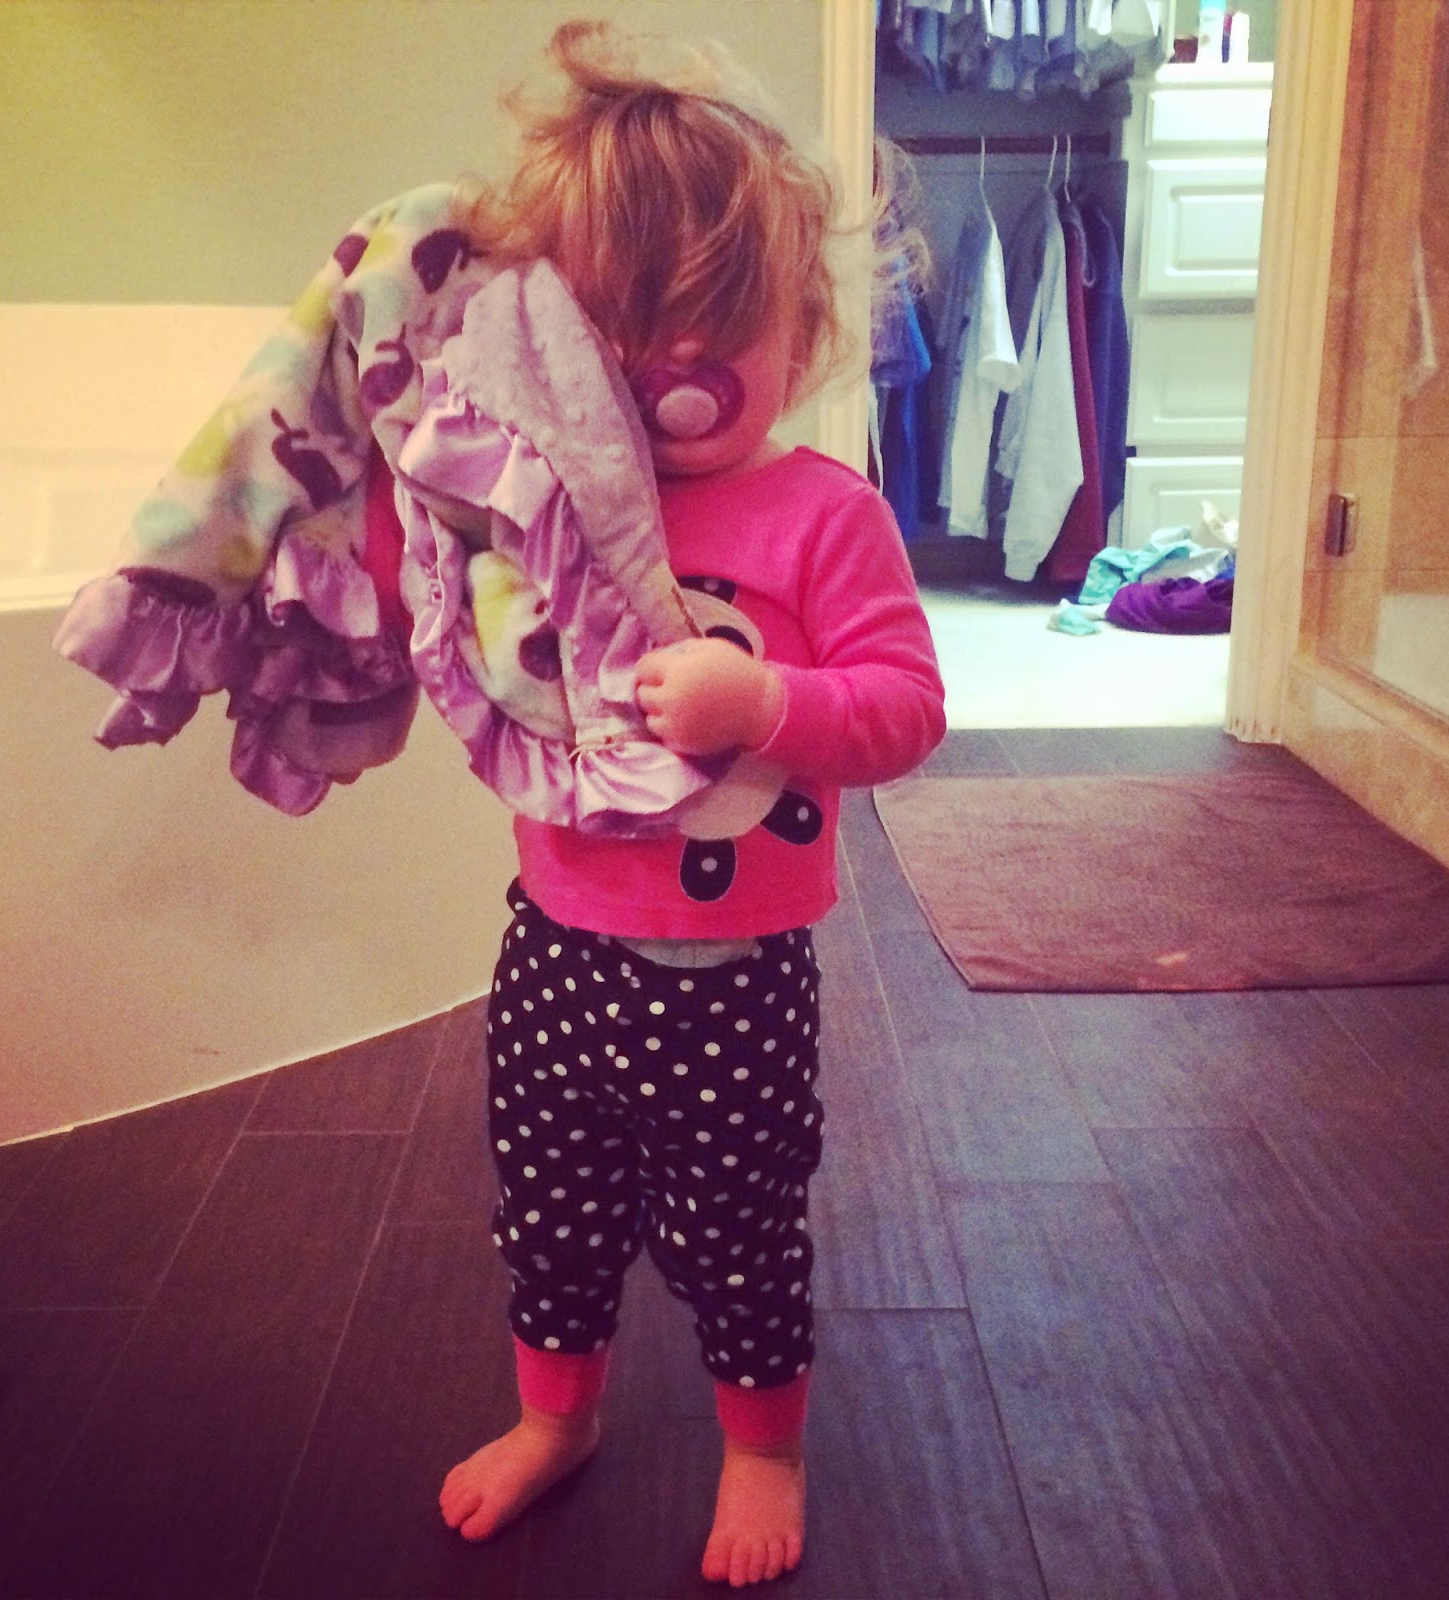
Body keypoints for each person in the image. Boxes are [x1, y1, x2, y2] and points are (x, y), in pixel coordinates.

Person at [435, 20, 946, 1588]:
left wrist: (764, 702)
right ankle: (558, 1417)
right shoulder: (550, 503)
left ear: (802, 326)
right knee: (550, 1213)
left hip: (734, 979)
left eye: (719, 328)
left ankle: (763, 1446)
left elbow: (907, 710)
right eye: (624, 336)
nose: (673, 381)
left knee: (739, 1232)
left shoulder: (823, 517)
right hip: (556, 945)